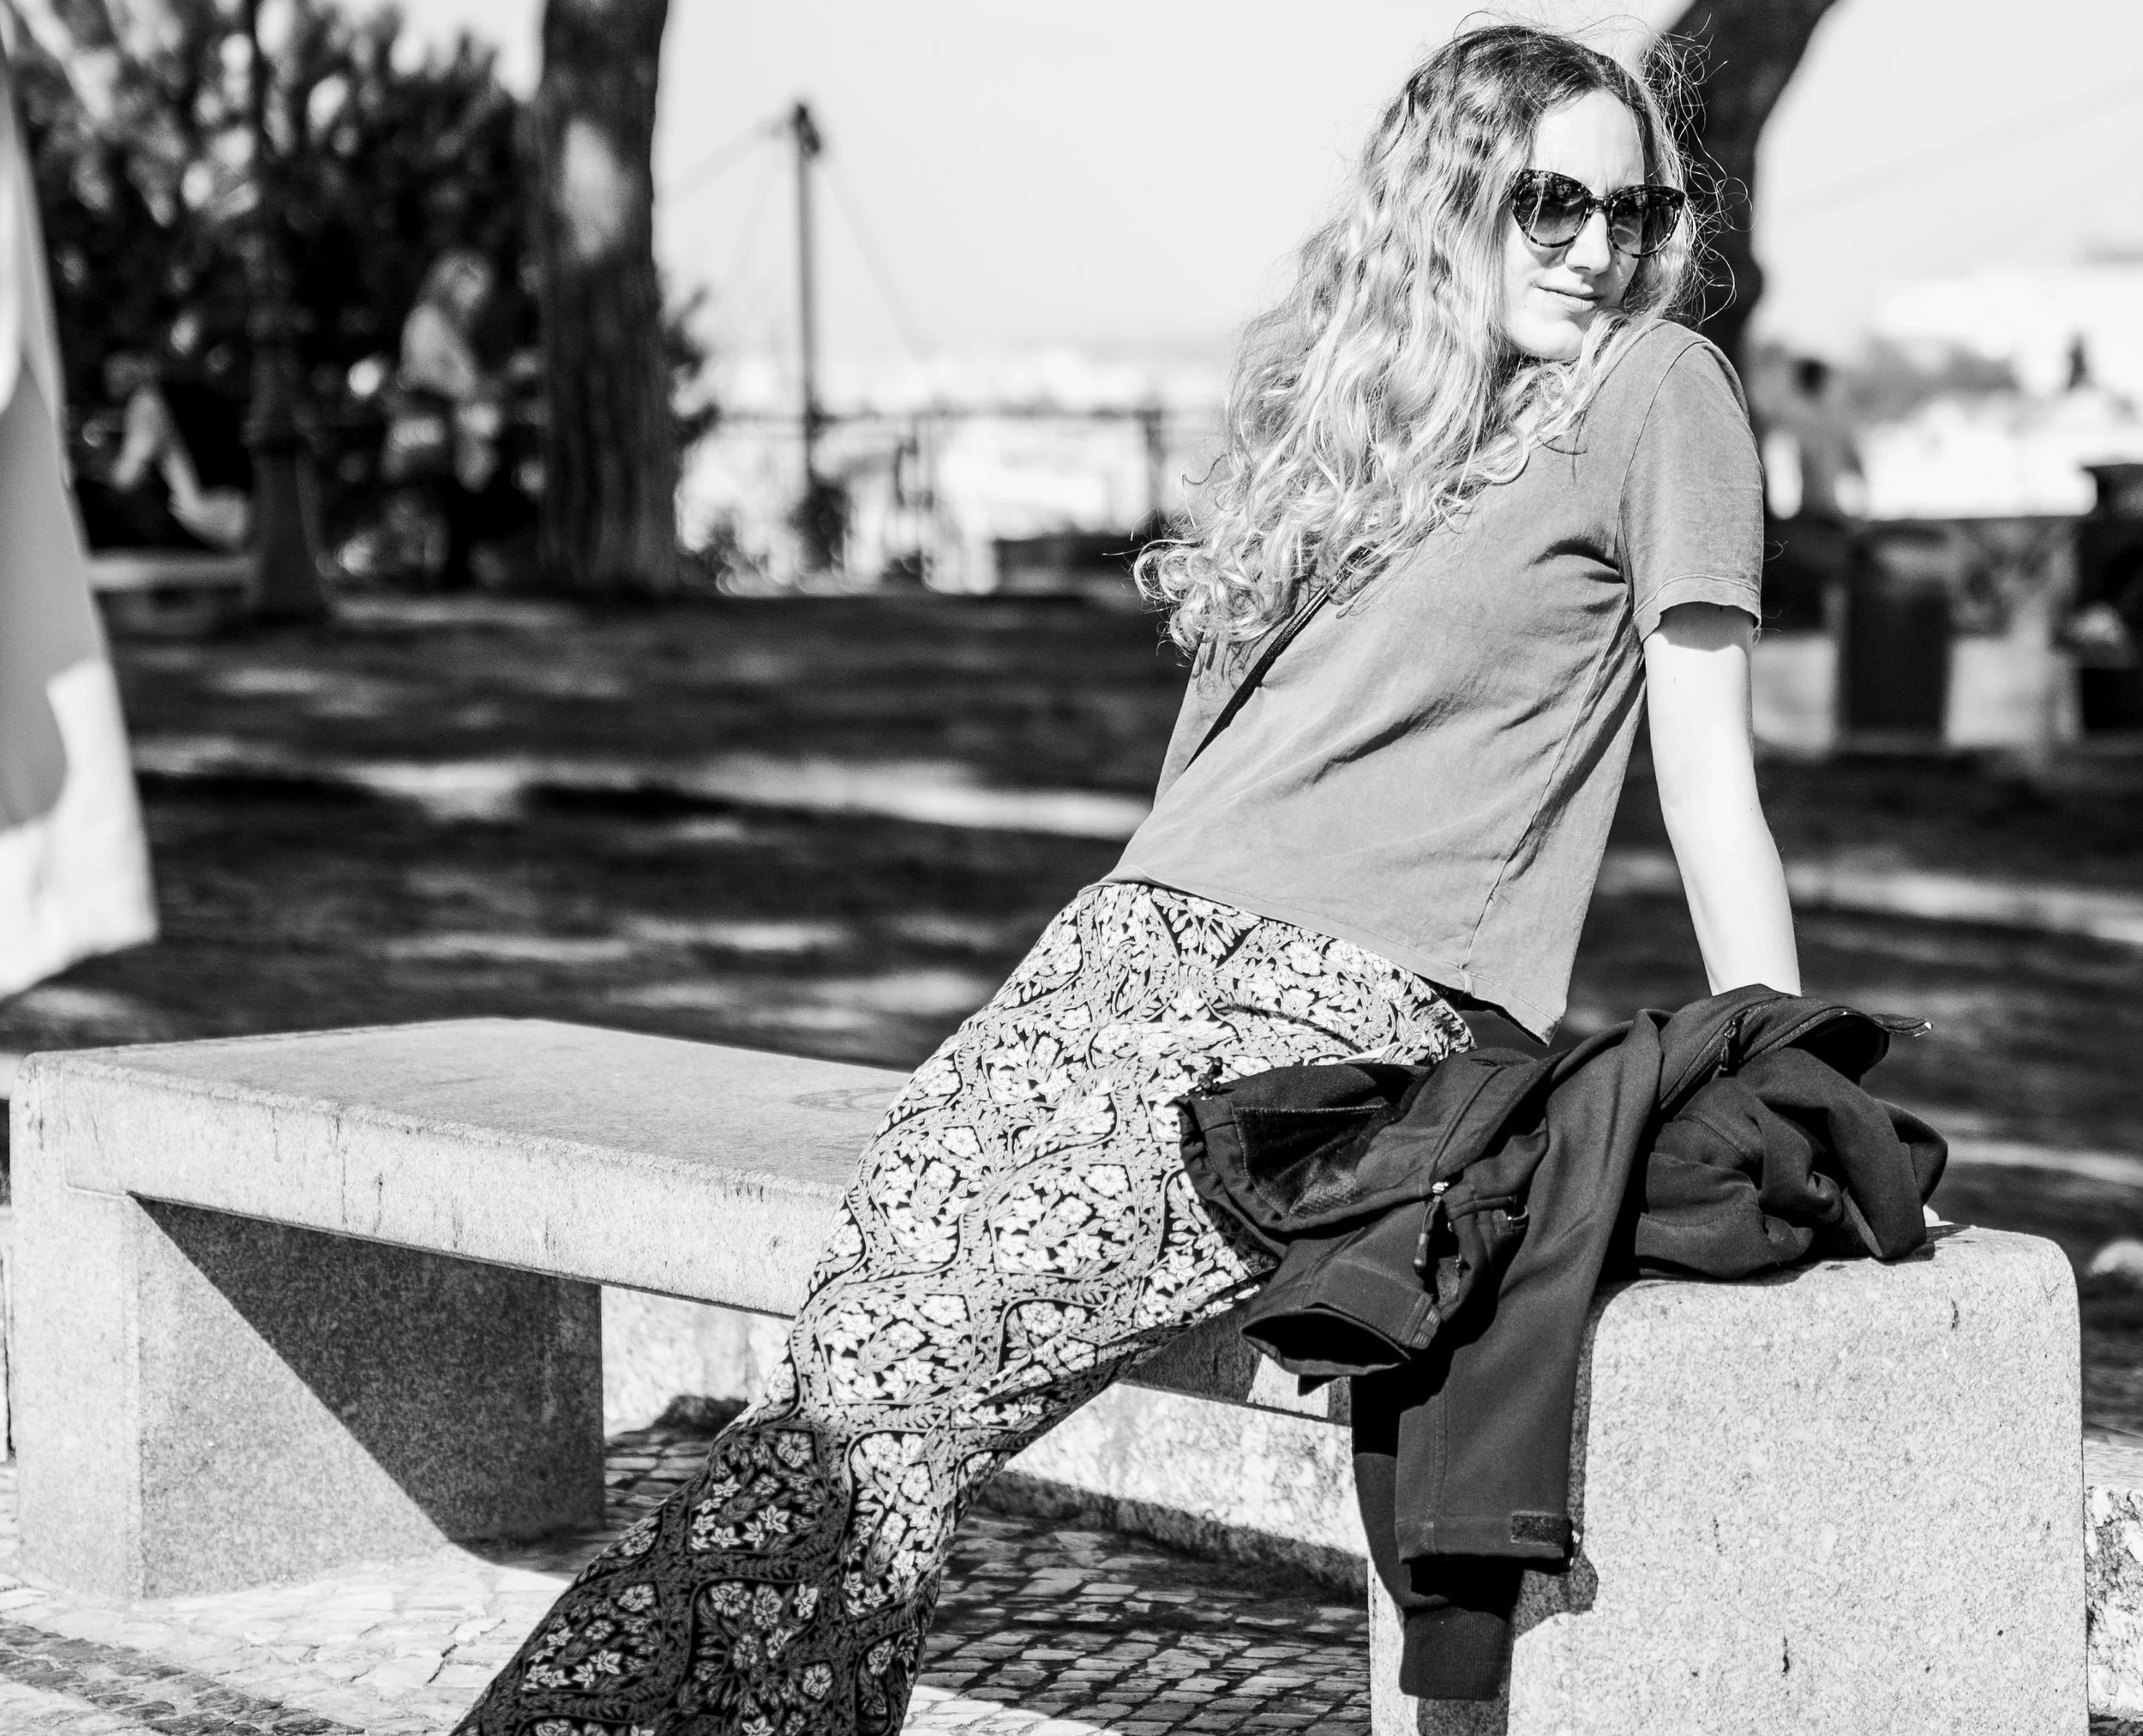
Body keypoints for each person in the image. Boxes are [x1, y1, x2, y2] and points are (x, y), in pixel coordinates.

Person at [458, 23, 1798, 1734]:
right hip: (1108, 968)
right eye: (1548, 203)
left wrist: (1777, 1063)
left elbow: (1706, 771)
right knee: (840, 1387)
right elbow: (1207, 780)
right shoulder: (1362, 422)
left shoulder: (1653, 392)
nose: (1597, 248)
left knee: (882, 1393)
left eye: (1632, 209)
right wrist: (1088, 990)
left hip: (1332, 1011)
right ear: (1447, 198)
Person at [384, 247, 515, 586]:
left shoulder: (450, 326)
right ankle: (441, 573)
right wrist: (472, 390)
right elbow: (427, 373)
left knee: (456, 503)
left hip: (454, 429)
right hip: (437, 429)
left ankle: (453, 570)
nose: (478, 300)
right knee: (442, 503)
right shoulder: (429, 320)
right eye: (473, 290)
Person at [73, 351, 253, 553]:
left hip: (211, 512)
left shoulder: (145, 403)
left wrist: (94, 467)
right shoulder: (184, 387)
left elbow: (127, 478)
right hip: (242, 495)